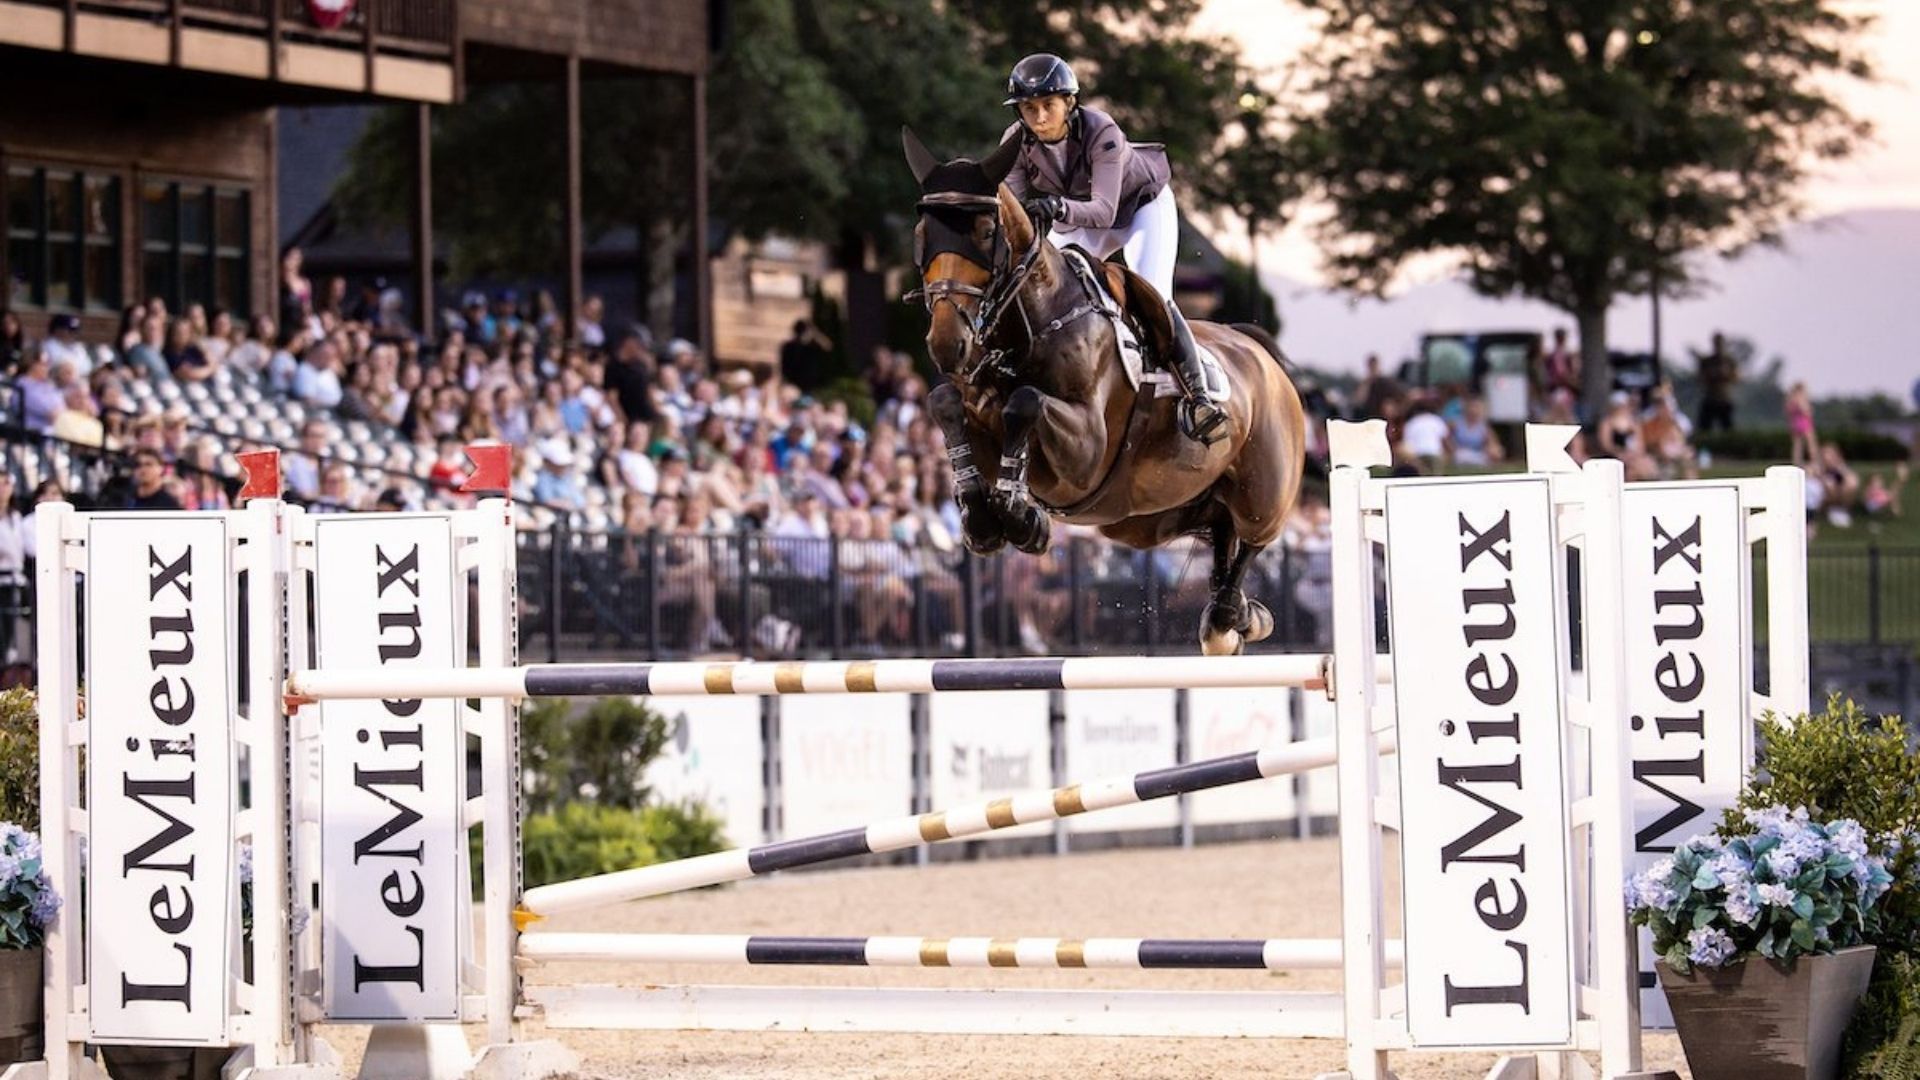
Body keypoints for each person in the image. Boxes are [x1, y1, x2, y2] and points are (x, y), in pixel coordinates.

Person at [998, 53, 1224, 443]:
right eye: (1028, 108)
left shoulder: (1101, 130)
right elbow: (1013, 212)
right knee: (1037, 285)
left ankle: (1199, 396)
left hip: (1138, 210)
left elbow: (1103, 210)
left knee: (1152, 290)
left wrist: (1055, 207)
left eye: (1048, 105)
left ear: (1069, 103)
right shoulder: (1015, 142)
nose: (1038, 117)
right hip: (1075, 219)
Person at [1695, 332, 1738, 434]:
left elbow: (1736, 378)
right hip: (1710, 398)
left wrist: (1725, 375)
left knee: (1729, 431)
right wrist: (1712, 375)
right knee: (1704, 429)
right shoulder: (1707, 361)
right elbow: (1700, 379)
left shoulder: (1729, 361)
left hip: (1725, 399)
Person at [1785, 381, 1816, 466]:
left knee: (1797, 446)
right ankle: (1813, 461)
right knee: (1811, 444)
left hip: (1795, 423)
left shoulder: (1790, 400)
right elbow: (1807, 411)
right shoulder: (1801, 399)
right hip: (1805, 423)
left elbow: (1788, 412)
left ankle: (1797, 463)